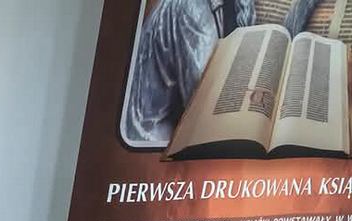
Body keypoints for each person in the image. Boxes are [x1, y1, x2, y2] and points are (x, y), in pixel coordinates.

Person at [124, 0, 323, 144]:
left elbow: (263, 63)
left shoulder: (241, 4)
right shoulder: (189, 7)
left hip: (190, 127)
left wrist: (304, 6)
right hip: (152, 141)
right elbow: (207, 108)